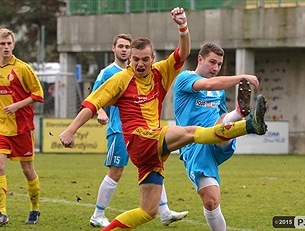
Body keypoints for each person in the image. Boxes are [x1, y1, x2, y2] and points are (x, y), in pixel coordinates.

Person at [60, 7, 267, 230]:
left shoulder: (160, 72)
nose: (140, 64)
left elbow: (182, 53)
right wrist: (71, 129)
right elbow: (92, 104)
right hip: (139, 139)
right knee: (191, 132)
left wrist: (182, 26)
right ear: (129, 58)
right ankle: (248, 125)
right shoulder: (120, 80)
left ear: (153, 58)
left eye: (145, 59)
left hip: (151, 153)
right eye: (135, 59)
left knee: (147, 211)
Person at [90, 34, 188, 227]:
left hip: (146, 132)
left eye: (127, 46)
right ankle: (98, 213)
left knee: (153, 163)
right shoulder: (109, 73)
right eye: (121, 46)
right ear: (114, 49)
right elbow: (94, 96)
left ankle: (164, 210)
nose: (124, 50)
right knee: (116, 171)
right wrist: (101, 112)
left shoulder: (145, 72)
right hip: (120, 130)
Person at [173, 42, 265, 231]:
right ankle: (243, 119)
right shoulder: (185, 78)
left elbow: (220, 116)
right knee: (211, 201)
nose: (215, 68)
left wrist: (230, 116)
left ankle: (242, 117)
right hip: (194, 144)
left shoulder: (218, 92)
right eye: (212, 62)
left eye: (219, 64)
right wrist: (241, 77)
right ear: (200, 59)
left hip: (218, 138)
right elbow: (208, 83)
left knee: (224, 124)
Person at [0, 28, 44, 227]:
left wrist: (17, 105)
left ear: (14, 44)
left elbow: (38, 94)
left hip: (22, 128)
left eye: (9, 43)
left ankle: (35, 208)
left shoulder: (23, 68)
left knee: (28, 171)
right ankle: (1, 213)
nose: (6, 47)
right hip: (0, 126)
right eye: (2, 44)